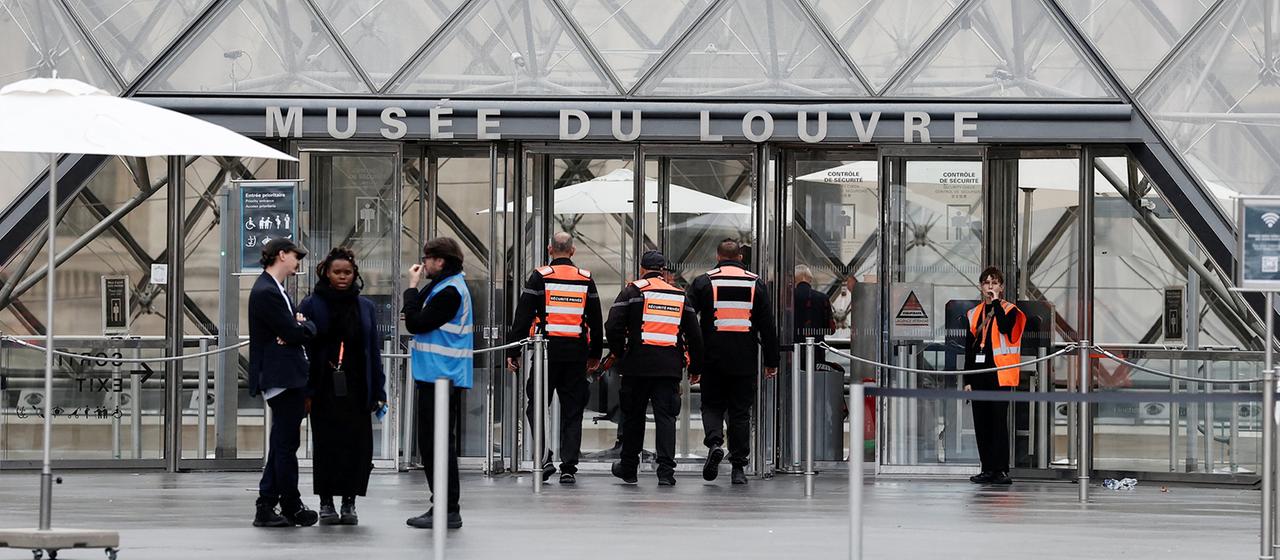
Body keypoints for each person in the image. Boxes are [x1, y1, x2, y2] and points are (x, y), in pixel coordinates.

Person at [298, 247, 387, 525]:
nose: (342, 277)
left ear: (355, 274)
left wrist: (379, 391)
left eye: (347, 272)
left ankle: (350, 501)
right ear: (326, 273)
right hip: (323, 386)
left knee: (357, 446)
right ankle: (326, 501)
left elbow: (373, 351)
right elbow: (303, 348)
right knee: (326, 444)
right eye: (337, 272)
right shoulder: (311, 304)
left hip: (357, 386)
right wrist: (306, 391)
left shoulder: (365, 307)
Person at [505, 232, 603, 485]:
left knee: (536, 406)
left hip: (546, 354)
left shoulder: (540, 276)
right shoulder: (585, 279)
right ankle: (569, 466)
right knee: (573, 411)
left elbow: (523, 315)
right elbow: (595, 318)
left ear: (550, 250)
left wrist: (512, 351)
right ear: (572, 251)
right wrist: (594, 355)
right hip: (576, 353)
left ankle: (544, 458)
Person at [686, 239, 779, 485]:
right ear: (740, 257)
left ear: (718, 257)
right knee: (740, 413)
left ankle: (715, 442)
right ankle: (738, 468)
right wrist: (772, 360)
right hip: (744, 359)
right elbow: (768, 326)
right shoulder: (755, 283)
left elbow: (687, 317)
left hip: (712, 357)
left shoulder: (705, 281)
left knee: (712, 406)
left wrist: (693, 357)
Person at [606, 250, 702, 486]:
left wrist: (620, 352)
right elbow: (695, 335)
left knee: (633, 417)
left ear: (642, 269)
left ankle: (628, 467)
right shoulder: (679, 296)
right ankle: (666, 472)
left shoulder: (632, 291)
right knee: (666, 419)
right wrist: (695, 367)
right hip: (668, 368)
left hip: (636, 367)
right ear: (663, 271)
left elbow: (613, 324)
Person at [248, 238, 319, 528]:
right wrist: (303, 326)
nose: (298, 261)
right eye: (294, 255)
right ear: (281, 255)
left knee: (282, 443)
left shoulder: (275, 289)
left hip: (286, 374)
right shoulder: (267, 291)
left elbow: (292, 329)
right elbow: (293, 330)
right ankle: (289, 504)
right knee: (285, 444)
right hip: (282, 377)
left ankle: (268, 503)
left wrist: (298, 326)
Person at [403, 237, 473, 530]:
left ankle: (447, 508)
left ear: (440, 261)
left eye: (428, 258)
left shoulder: (451, 291)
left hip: (442, 378)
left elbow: (416, 322)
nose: (424, 263)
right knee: (432, 445)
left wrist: (410, 288)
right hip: (435, 375)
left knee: (438, 446)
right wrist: (417, 286)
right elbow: (419, 311)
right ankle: (442, 505)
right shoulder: (444, 286)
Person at [963, 266, 1026, 486]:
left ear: (1002, 286)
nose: (991, 287)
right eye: (987, 283)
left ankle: (1000, 469)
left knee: (998, 422)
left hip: (1000, 375)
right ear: (981, 287)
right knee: (982, 424)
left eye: (995, 283)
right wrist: (967, 380)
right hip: (979, 375)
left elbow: (1006, 328)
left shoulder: (1009, 310)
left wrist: (997, 302)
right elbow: (969, 349)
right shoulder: (973, 314)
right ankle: (987, 468)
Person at [793, 264, 834, 364]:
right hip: (817, 350)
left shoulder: (787, 297)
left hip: (792, 350)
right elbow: (831, 329)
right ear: (810, 279)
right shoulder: (822, 298)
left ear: (794, 279)